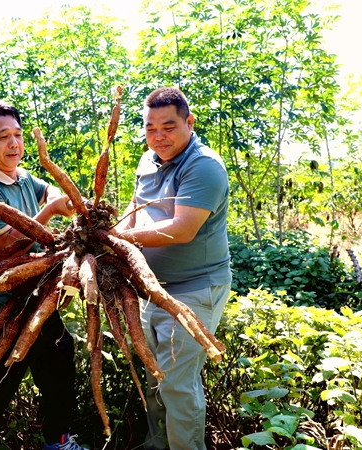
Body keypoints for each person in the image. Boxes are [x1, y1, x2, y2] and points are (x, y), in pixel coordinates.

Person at [0, 99, 85, 450]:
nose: (14, 144)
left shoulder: (20, 177)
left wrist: (58, 196)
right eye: (3, 137)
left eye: (18, 135)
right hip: (2, 314)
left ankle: (58, 441)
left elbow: (46, 189)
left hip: (38, 302)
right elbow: (15, 246)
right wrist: (52, 210)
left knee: (59, 371)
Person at [114, 87, 232, 450]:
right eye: (150, 128)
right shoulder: (148, 160)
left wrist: (121, 239)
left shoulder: (204, 165)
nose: (158, 136)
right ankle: (157, 443)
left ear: (189, 122)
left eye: (168, 126)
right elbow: (135, 207)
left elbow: (182, 229)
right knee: (155, 374)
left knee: (178, 383)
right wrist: (109, 236)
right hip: (151, 289)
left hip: (194, 289)